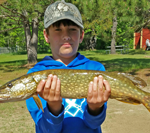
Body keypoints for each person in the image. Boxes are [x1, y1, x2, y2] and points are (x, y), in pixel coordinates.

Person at [26, 1, 111, 133]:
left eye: (72, 29)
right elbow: (46, 130)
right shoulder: (36, 75)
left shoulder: (96, 69)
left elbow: (94, 124)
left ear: (81, 35)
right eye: (58, 29)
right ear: (46, 35)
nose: (66, 36)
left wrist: (95, 108)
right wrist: (54, 108)